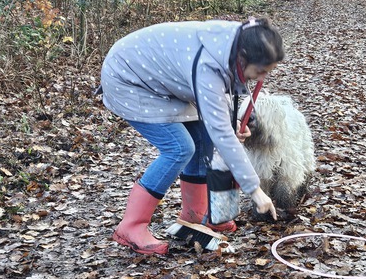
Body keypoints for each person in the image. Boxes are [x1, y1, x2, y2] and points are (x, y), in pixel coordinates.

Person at [100, 16, 284, 255]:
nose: (262, 78)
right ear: (243, 56)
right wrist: (255, 190)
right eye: (260, 71)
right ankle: (131, 226)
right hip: (128, 80)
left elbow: (225, 91)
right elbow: (222, 131)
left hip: (165, 82)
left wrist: (237, 120)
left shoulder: (237, 43)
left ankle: (194, 214)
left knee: (203, 137)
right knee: (179, 148)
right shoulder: (208, 65)